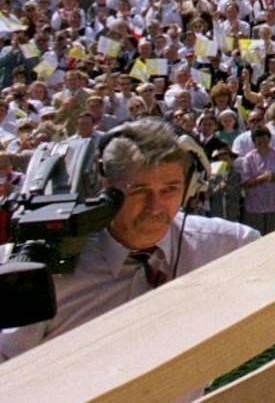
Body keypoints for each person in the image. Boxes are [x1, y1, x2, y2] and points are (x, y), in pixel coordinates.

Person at [0, 120, 256, 360]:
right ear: (105, 188)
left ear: (190, 188)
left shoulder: (228, 244)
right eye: (139, 190)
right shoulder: (45, 267)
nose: (155, 207)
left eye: (170, 189)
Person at [236, 125, 275, 234]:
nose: (261, 141)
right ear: (254, 141)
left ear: (269, 139)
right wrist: (263, 178)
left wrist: (272, 176)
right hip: (255, 207)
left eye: (264, 138)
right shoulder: (248, 158)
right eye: (258, 139)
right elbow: (245, 182)